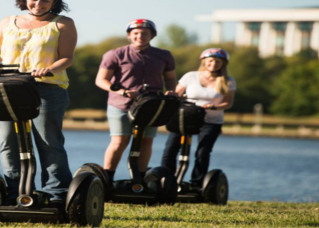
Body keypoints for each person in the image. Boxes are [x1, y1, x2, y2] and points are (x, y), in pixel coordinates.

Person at [0, 0, 77, 204]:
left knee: (48, 141)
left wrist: (49, 68)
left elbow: (67, 57)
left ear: (55, 2)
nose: (38, 4)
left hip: (47, 87)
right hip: (7, 87)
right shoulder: (8, 21)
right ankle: (15, 192)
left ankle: (56, 193)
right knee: (8, 141)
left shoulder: (63, 23)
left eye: (45, 0)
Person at [95, 19, 177, 184]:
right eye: (136, 33)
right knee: (119, 141)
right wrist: (121, 90)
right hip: (121, 105)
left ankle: (138, 180)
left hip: (152, 105)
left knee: (146, 141)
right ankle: (108, 179)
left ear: (152, 35)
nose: (140, 36)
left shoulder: (164, 55)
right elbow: (101, 80)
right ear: (129, 36)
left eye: (145, 33)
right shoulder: (115, 54)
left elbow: (170, 78)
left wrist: (172, 91)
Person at [161, 48, 236, 189]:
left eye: (218, 61)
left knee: (202, 152)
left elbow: (228, 103)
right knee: (170, 149)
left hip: (211, 121)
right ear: (204, 62)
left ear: (223, 64)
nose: (214, 64)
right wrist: (172, 97)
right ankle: (167, 180)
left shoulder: (227, 81)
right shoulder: (190, 76)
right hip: (185, 118)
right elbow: (176, 94)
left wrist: (214, 107)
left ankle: (196, 184)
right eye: (211, 60)